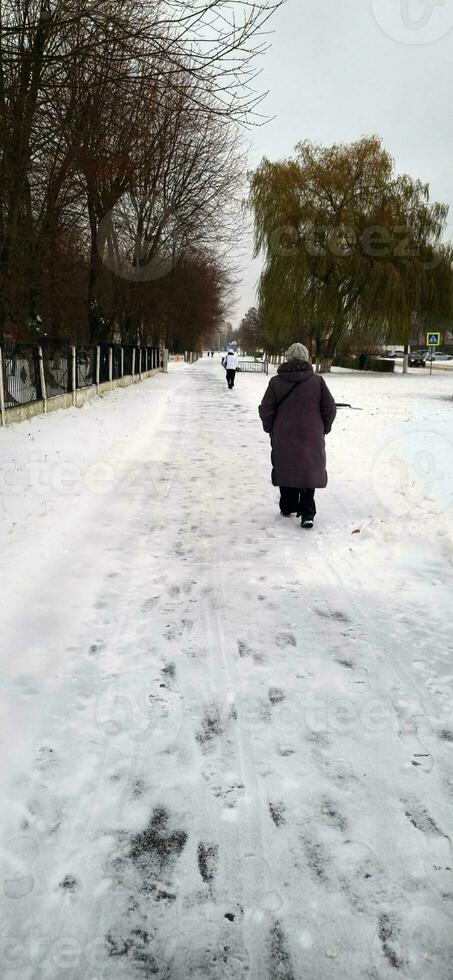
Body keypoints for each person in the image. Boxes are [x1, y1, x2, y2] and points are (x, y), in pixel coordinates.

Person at [258, 342, 336, 528]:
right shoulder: (317, 382)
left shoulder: (276, 382)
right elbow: (329, 408)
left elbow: (266, 409)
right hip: (312, 434)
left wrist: (270, 428)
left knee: (287, 465)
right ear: (306, 358)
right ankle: (307, 512)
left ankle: (288, 505)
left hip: (283, 433)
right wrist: (324, 428)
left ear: (287, 358)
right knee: (308, 468)